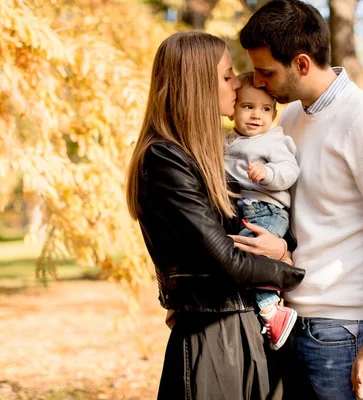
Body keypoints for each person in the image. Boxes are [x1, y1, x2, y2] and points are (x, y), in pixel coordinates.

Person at [230, 1, 363, 399]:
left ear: (301, 63)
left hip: (343, 333)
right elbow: (298, 215)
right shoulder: (289, 120)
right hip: (289, 320)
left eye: (267, 71)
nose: (260, 83)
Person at [125, 31, 305, 400]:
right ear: (198, 86)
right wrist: (292, 269)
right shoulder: (165, 158)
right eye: (227, 76)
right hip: (215, 338)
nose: (239, 84)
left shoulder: (207, 154)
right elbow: (228, 261)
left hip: (240, 329)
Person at [225, 71, 300, 350]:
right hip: (246, 211)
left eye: (265, 109)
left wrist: (268, 173)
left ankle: (272, 311)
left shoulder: (273, 140)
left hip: (268, 211)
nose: (257, 115)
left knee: (248, 258)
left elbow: (290, 170)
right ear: (232, 110)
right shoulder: (228, 142)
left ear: (274, 114)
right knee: (237, 257)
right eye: (248, 107)